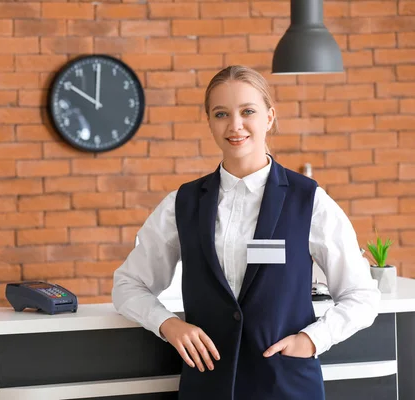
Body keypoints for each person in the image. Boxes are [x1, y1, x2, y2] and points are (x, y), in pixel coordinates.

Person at [111, 65, 381, 400]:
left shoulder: (310, 201)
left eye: (247, 111)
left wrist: (313, 339)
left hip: (286, 385)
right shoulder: (181, 204)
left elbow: (362, 296)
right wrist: (169, 325)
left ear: (269, 118)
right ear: (209, 121)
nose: (235, 125)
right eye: (221, 113)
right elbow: (127, 285)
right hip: (208, 387)